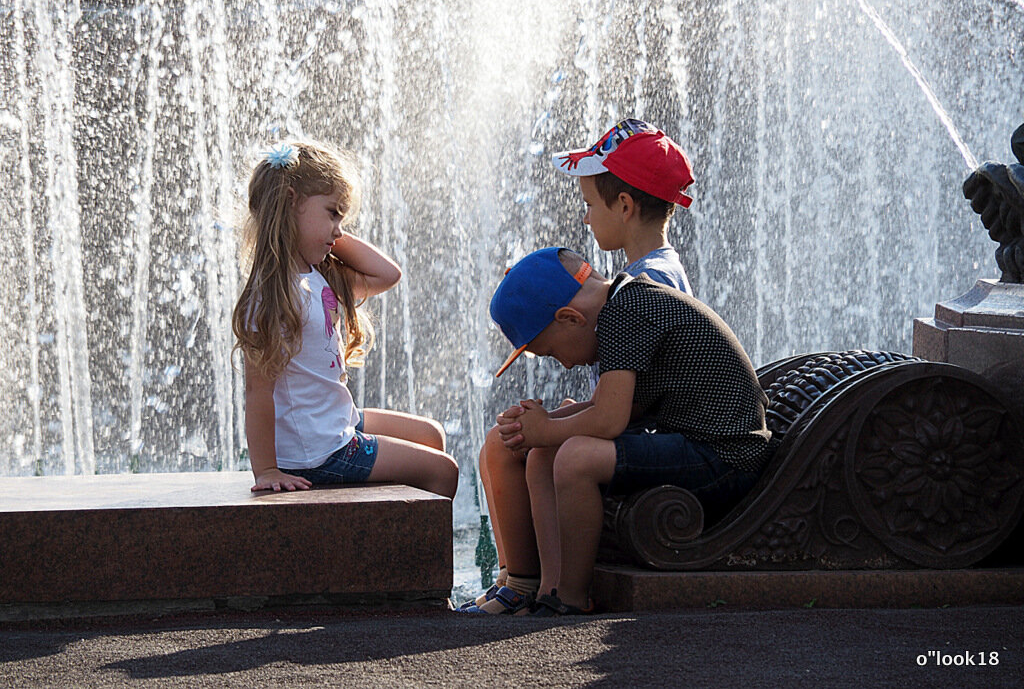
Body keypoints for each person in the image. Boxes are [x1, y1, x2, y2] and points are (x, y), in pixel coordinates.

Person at [465, 120, 696, 614]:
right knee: (510, 441)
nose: (586, 219)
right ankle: (520, 580)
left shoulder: (644, 289)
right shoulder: (638, 280)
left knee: (546, 447)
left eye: (591, 205)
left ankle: (545, 589)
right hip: (652, 427)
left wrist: (557, 424)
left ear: (625, 206)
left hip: (672, 438)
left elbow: (629, 411)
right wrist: (569, 415)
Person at [490, 247, 772, 615]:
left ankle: (570, 599)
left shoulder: (626, 312)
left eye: (553, 353)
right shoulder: (625, 303)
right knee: (547, 452)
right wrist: (546, 426)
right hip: (696, 445)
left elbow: (609, 419)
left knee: (575, 458)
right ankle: (549, 590)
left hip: (725, 456)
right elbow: (619, 406)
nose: (567, 364)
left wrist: (546, 428)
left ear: (571, 318)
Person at [231, 140, 458, 499]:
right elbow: (258, 392)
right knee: (442, 470)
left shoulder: (317, 274)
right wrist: (267, 470)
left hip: (333, 422)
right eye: (333, 213)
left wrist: (327, 230)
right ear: (291, 203)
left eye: (343, 217)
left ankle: (385, 530)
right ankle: (414, 555)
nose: (339, 229)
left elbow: (387, 275)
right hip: (318, 452)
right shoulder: (273, 295)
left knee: (431, 435)